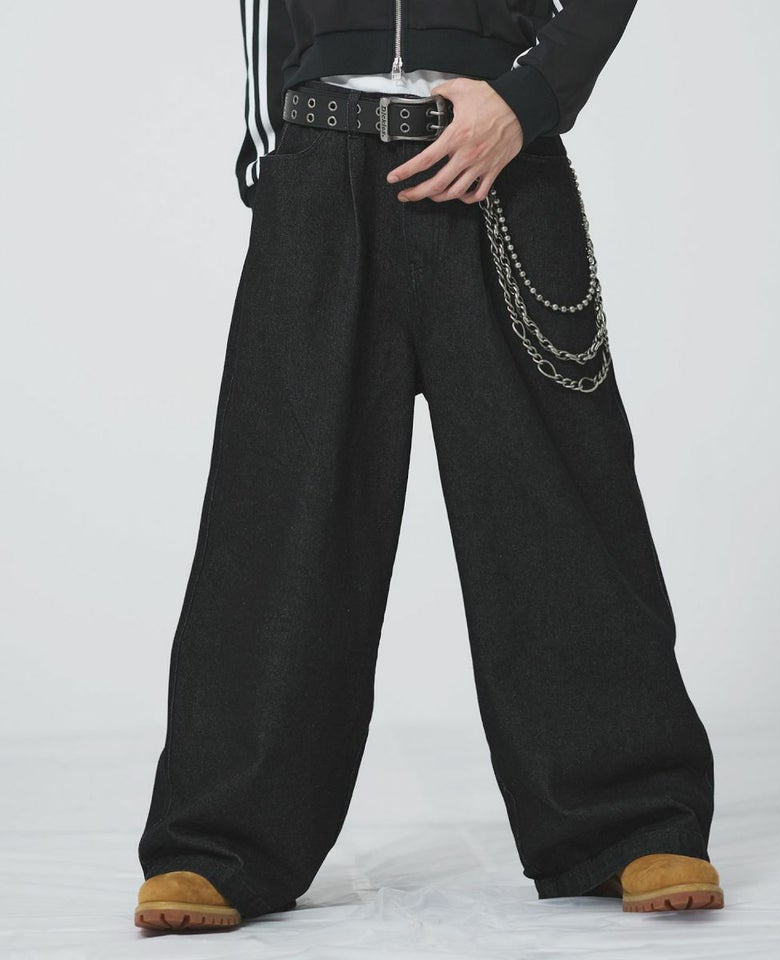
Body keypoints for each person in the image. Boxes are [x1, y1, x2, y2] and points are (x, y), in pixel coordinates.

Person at [133, 0, 724, 932]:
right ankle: (220, 841)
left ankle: (633, 819)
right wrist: (279, 156)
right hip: (321, 158)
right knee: (279, 507)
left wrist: (529, 99)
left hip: (501, 162)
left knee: (557, 505)